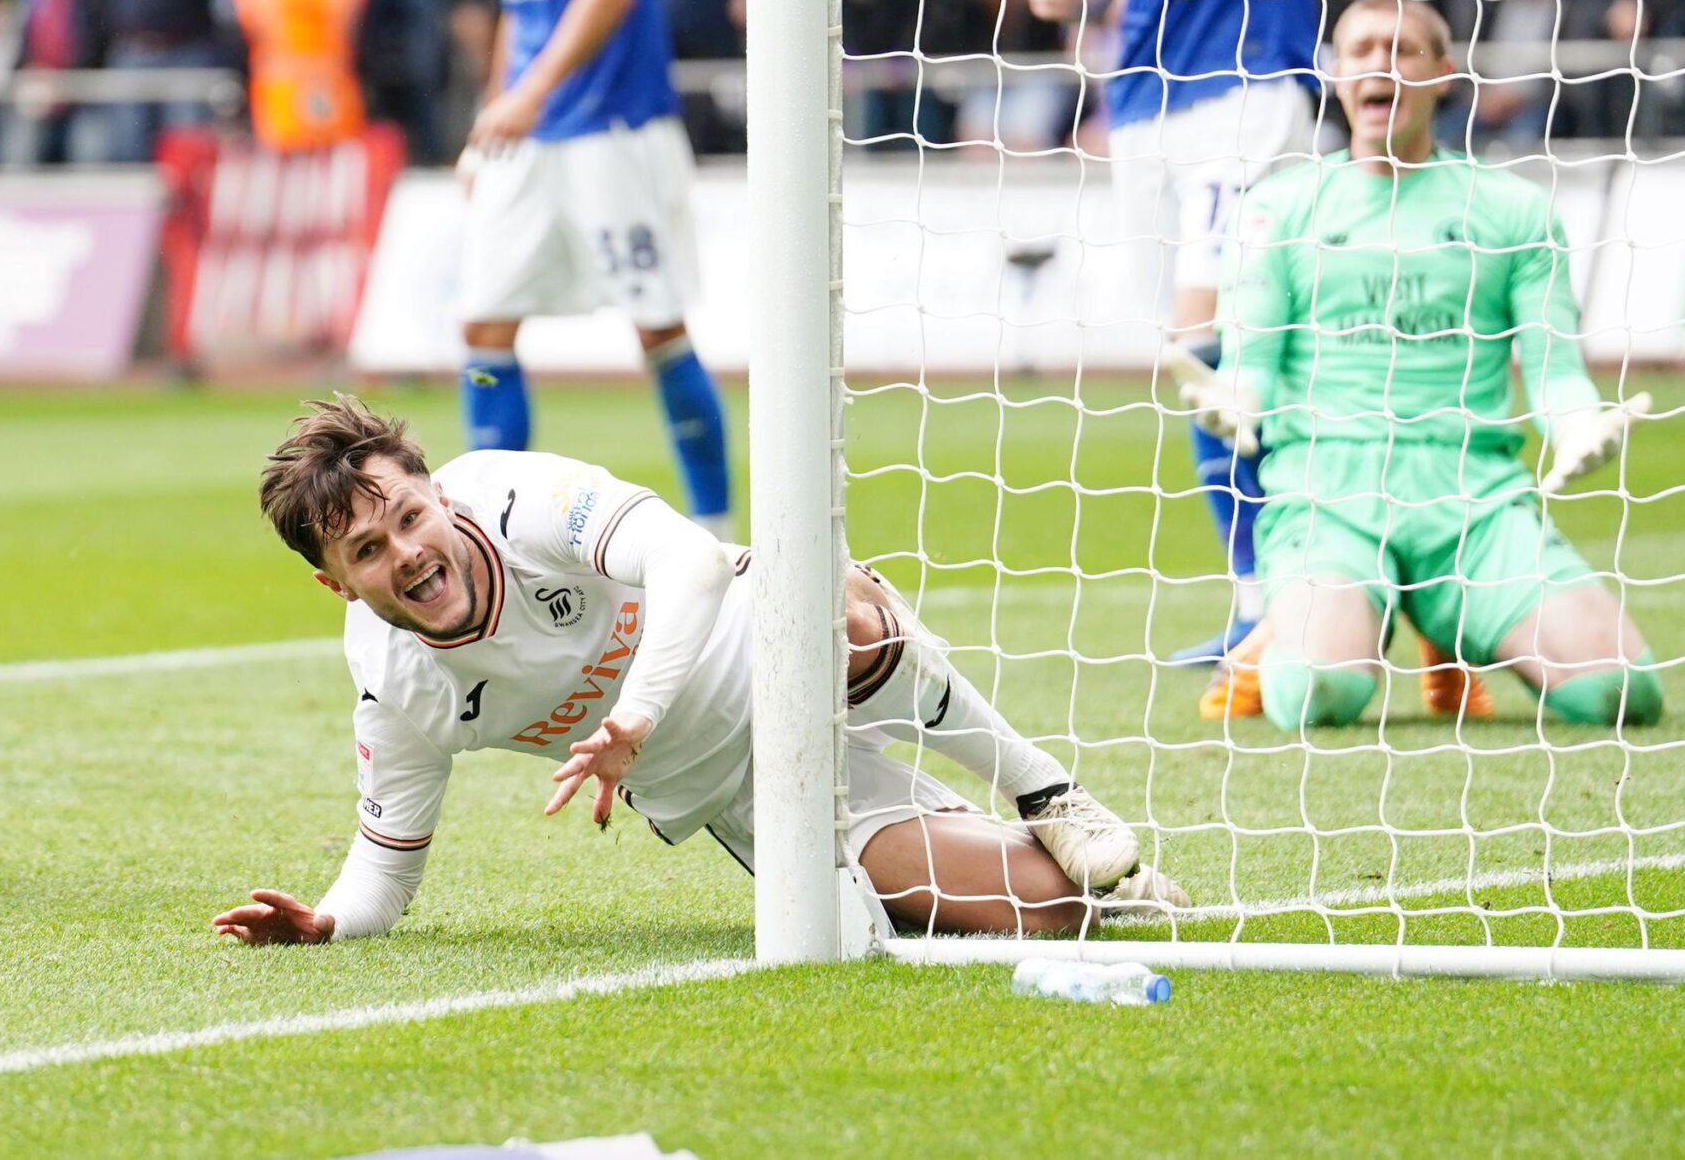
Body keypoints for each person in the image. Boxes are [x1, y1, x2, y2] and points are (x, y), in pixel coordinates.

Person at [1005, 0, 1485, 717]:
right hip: (1140, 106)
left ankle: (1283, 597)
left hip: (1248, 91)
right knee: (1201, 362)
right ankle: (1291, 586)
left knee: (1211, 338)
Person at [213, 397, 1186, 947]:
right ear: (334, 583)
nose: (409, 554)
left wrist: (632, 715)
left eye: (410, 517)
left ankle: (1045, 789)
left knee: (838, 616)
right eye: (370, 552)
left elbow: (693, 561)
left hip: (777, 635)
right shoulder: (398, 684)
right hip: (746, 788)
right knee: (1048, 910)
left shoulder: (514, 496)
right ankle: (980, 840)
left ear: (436, 491)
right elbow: (387, 862)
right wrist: (329, 923)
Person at [1174, 0, 1662, 732]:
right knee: (1318, 697)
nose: (1380, 64)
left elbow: (1556, 364)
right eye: (1362, 49)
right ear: (1336, 75)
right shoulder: (1278, 207)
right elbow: (1254, 361)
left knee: (1620, 694)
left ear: (1443, 74)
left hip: (1472, 500)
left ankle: (1452, 627)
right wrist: (1235, 399)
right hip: (1328, 493)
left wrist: (1578, 420)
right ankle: (1271, 639)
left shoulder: (1514, 211)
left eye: (1403, 50)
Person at [452, 0, 734, 536]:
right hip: (534, 129)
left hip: (612, 124)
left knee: (656, 327)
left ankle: (719, 536)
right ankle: (496, 535)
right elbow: (523, 1)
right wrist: (491, 113)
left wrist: (528, 95)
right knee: (484, 323)